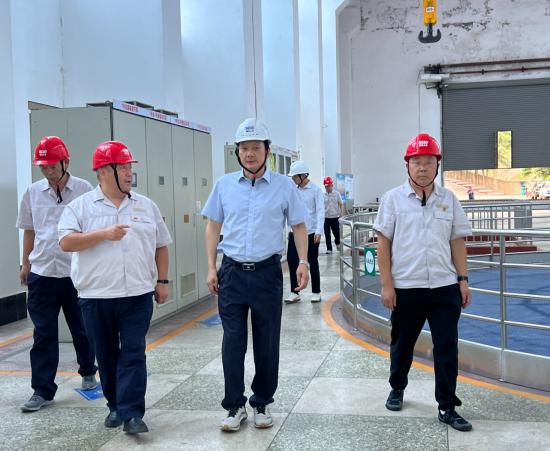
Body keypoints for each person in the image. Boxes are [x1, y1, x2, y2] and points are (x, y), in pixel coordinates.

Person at [203, 118, 309, 432]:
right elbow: (213, 227)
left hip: (267, 273)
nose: (250, 153)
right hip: (232, 272)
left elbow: (299, 225)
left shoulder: (284, 186)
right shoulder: (224, 185)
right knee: (233, 341)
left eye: (255, 148)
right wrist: (211, 266)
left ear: (267, 151)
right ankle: (234, 406)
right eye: (244, 148)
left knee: (267, 341)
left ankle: (261, 401)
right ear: (237, 152)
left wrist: (303, 262)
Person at [58, 141, 172, 435]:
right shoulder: (80, 207)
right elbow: (66, 242)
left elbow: (161, 245)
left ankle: (132, 414)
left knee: (134, 352)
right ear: (103, 172)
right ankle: (115, 405)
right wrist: (103, 234)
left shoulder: (146, 205)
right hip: (96, 296)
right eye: (122, 167)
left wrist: (162, 281)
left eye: (129, 167)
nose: (129, 173)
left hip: (137, 295)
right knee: (106, 355)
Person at [373, 133, 473, 432]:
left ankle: (447, 406)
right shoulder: (393, 199)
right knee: (402, 344)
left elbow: (457, 241)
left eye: (429, 161)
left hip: (444, 287)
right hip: (406, 287)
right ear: (407, 165)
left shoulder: (449, 199)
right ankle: (397, 386)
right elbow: (383, 244)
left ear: (437, 165)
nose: (423, 167)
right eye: (417, 162)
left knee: (447, 348)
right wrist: (387, 285)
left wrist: (463, 280)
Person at [16, 136, 97, 413]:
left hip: (76, 273)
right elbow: (29, 230)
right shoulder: (33, 192)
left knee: (82, 329)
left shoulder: (84, 190)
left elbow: (92, 231)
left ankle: (88, 369)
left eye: (52, 166)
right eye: (43, 167)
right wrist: (25, 264)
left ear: (66, 162)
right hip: (42, 273)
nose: (48, 172)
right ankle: (42, 390)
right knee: (43, 334)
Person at [284, 161, 325, 303]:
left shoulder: (315, 190)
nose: (293, 179)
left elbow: (320, 211)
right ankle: (294, 292)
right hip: (294, 233)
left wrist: (319, 230)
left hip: (311, 233)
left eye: (295, 176)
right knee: (292, 261)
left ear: (303, 175)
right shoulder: (293, 190)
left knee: (312, 262)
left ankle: (316, 292)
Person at [323, 176, 346, 254]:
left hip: (335, 217)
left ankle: (337, 242)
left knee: (337, 233)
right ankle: (329, 248)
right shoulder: (323, 195)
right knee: (327, 234)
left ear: (332, 185)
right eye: (326, 186)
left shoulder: (336, 194)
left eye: (329, 186)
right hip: (326, 218)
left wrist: (341, 214)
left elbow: (341, 204)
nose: (328, 188)